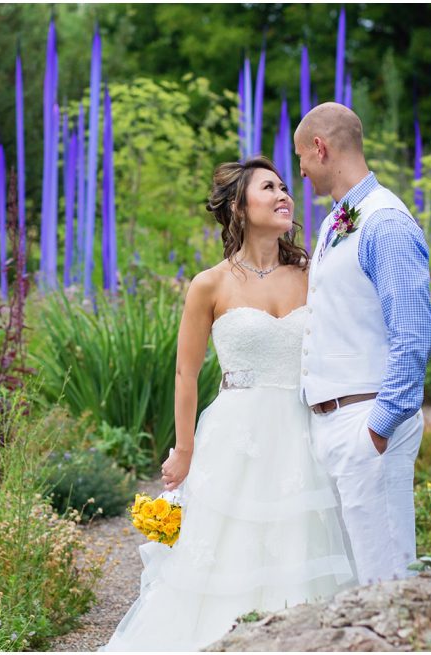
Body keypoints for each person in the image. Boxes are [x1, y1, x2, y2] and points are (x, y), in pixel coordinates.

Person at [101, 157, 355, 652]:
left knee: (301, 550)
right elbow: (186, 372)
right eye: (269, 188)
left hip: (305, 434)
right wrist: (185, 450)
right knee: (225, 557)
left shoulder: (311, 272)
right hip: (237, 436)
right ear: (239, 207)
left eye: (285, 186)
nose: (284, 194)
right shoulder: (210, 284)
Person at [293, 102, 431, 585]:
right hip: (339, 420)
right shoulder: (339, 219)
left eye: (301, 159)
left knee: (387, 580)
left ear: (321, 147)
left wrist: (376, 429)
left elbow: (413, 334)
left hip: (368, 421)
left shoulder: (385, 222)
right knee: (354, 585)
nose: (302, 173)